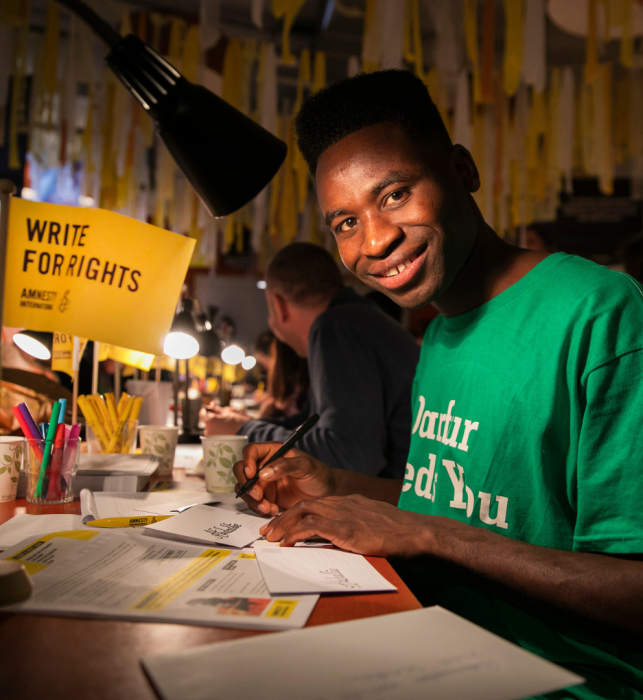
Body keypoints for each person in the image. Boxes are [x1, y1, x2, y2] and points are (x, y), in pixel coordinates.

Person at [233, 70, 643, 698]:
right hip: (424, 643)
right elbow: (456, 503)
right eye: (345, 222)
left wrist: (428, 537)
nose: (376, 240)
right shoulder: (442, 329)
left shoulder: (602, 312)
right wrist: (336, 485)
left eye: (394, 194)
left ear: (462, 170)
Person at [202, 242, 419, 479]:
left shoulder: (335, 327)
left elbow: (348, 455)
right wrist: (245, 423)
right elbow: (314, 424)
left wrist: (243, 430)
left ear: (279, 306)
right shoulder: (357, 317)